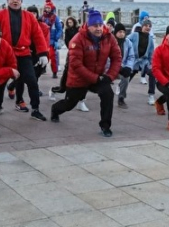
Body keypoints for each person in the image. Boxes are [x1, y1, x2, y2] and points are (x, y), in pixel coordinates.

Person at [50, 9, 121, 137]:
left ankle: (105, 126)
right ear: (88, 26)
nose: (99, 28)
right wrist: (95, 78)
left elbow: (117, 58)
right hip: (79, 78)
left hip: (99, 77)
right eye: (95, 26)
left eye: (100, 25)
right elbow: (76, 65)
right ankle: (55, 110)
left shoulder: (109, 38)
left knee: (108, 94)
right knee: (69, 104)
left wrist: (109, 77)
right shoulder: (78, 39)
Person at [0, 0, 49, 120]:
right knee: (0, 82)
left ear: (21, 1)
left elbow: (38, 35)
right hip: (5, 54)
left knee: (32, 81)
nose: (15, 1)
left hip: (24, 54)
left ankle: (35, 109)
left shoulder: (29, 16)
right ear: (8, 1)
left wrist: (42, 53)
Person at [126, 19, 156, 105]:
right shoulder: (135, 35)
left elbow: (151, 53)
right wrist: (129, 53)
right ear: (142, 26)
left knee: (152, 73)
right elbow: (126, 41)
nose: (148, 27)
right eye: (146, 26)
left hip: (144, 61)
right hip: (134, 60)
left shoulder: (150, 39)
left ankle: (151, 95)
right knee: (130, 74)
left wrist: (151, 64)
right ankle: (121, 87)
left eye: (150, 26)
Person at [114, 23, 135, 108]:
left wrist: (128, 67)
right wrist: (118, 67)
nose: (121, 33)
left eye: (123, 32)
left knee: (126, 78)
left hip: (123, 67)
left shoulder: (128, 42)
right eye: (119, 32)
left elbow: (131, 56)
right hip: (111, 68)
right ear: (115, 33)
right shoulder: (110, 42)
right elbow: (107, 58)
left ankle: (121, 98)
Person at [41, 0, 62, 78]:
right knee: (43, 56)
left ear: (52, 8)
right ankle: (42, 68)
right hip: (43, 40)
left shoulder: (55, 18)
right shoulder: (42, 17)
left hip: (52, 40)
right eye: (46, 8)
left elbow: (59, 29)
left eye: (49, 8)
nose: (47, 9)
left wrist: (56, 38)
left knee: (53, 57)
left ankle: (54, 71)